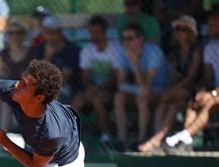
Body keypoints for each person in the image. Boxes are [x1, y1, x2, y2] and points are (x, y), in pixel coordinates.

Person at [138, 15, 202, 153]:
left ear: (191, 32)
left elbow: (191, 76)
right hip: (178, 91)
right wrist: (171, 89)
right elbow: (173, 77)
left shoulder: (196, 50)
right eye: (177, 29)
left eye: (184, 29)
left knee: (172, 96)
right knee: (169, 104)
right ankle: (157, 139)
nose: (180, 32)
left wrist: (173, 90)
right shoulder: (174, 52)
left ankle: (155, 140)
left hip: (194, 89)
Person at [163, 12, 219, 152]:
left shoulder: (198, 50)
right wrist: (203, 92)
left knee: (211, 101)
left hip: (216, 94)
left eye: (213, 25)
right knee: (194, 102)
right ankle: (186, 142)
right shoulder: (211, 47)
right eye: (209, 25)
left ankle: (184, 135)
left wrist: (212, 94)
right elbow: (208, 77)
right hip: (215, 92)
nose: (209, 28)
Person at [113, 23, 169, 151]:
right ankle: (122, 140)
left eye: (130, 38)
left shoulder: (154, 52)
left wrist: (135, 62)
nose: (126, 42)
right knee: (119, 97)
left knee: (142, 97)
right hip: (139, 89)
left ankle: (141, 139)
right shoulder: (123, 51)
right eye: (124, 39)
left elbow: (146, 84)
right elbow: (120, 82)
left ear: (141, 39)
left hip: (160, 90)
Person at [71, 15, 120, 150]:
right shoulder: (87, 50)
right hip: (93, 89)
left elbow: (115, 76)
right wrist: (92, 88)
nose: (94, 35)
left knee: (97, 99)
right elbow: (85, 77)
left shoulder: (115, 48)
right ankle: (70, 136)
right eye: (91, 32)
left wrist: (99, 88)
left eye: (97, 32)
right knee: (77, 100)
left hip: (111, 90)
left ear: (105, 32)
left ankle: (106, 136)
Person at [34, 15, 80, 103]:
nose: (50, 36)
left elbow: (65, 78)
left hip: (67, 87)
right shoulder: (40, 48)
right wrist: (48, 57)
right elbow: (38, 74)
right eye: (47, 33)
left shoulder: (70, 49)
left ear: (60, 32)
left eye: (53, 33)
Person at [0, 20, 34, 132]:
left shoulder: (32, 53)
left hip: (28, 90)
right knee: (3, 103)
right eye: (11, 33)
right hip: (9, 90)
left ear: (23, 35)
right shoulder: (2, 54)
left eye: (18, 32)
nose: (14, 36)